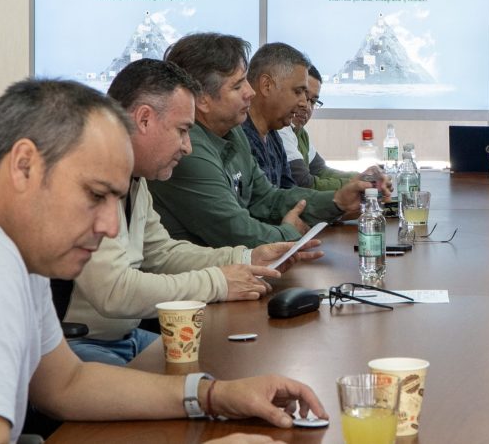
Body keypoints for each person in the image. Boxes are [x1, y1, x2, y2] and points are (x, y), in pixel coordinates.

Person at [0, 79, 326, 443]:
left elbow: (66, 385)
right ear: (23, 166)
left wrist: (217, 396)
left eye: (114, 200)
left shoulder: (8, 246)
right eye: (96, 196)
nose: (110, 228)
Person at [64, 59, 324, 366]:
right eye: (182, 131)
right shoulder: (88, 179)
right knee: (203, 390)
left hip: (126, 337)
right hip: (81, 347)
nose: (188, 147)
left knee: (224, 365)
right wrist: (218, 282)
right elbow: (115, 291)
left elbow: (161, 253)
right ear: (144, 119)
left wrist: (245, 258)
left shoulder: (136, 180)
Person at [148, 32, 378, 248]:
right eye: (238, 85)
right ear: (203, 99)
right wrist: (289, 233)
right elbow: (237, 232)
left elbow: (268, 198)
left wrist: (337, 201)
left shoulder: (234, 131)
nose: (251, 92)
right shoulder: (188, 149)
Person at [242, 42, 310, 190]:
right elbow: (265, 206)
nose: (305, 103)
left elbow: (289, 194)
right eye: (298, 91)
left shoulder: (274, 137)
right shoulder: (239, 139)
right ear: (267, 86)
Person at [278, 64, 356, 191]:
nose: (307, 106)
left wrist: (362, 178)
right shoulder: (280, 130)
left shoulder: (301, 133)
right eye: (301, 94)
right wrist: (356, 185)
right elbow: (305, 183)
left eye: (313, 101)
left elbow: (320, 171)